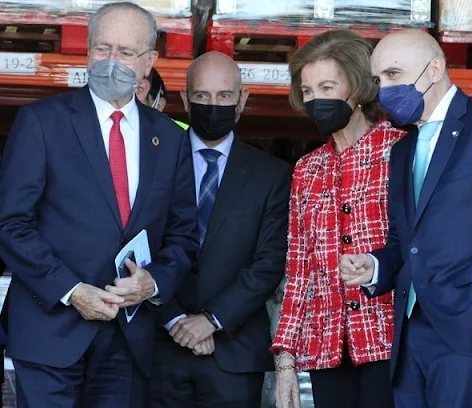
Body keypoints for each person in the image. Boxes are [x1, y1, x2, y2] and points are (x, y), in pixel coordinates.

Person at [0, 2, 199, 407]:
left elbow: (182, 236)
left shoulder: (171, 138)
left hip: (127, 339)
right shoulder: (41, 122)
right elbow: (10, 224)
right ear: (88, 51)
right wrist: (71, 291)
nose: (112, 62)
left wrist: (153, 282)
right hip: (49, 333)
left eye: (126, 53)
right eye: (102, 49)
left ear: (149, 63)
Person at [338, 29, 472, 408]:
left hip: (470, 330)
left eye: (395, 75)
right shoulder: (403, 149)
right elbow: (405, 241)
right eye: (379, 80)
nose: (384, 89)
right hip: (411, 333)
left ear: (434, 69)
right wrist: (373, 267)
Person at [271, 29, 406, 408]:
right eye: (308, 91)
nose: (316, 100)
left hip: (389, 339)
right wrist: (285, 360)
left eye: (327, 87)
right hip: (327, 345)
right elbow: (299, 271)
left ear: (360, 87)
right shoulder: (306, 170)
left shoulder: (399, 151)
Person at [150, 51, 291, 408]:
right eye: (202, 96)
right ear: (185, 99)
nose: (214, 105)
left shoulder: (271, 175)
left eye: (225, 96)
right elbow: (138, 245)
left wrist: (212, 320)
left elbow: (269, 262)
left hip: (234, 352)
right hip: (158, 346)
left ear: (242, 99)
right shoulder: (153, 163)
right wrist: (176, 318)